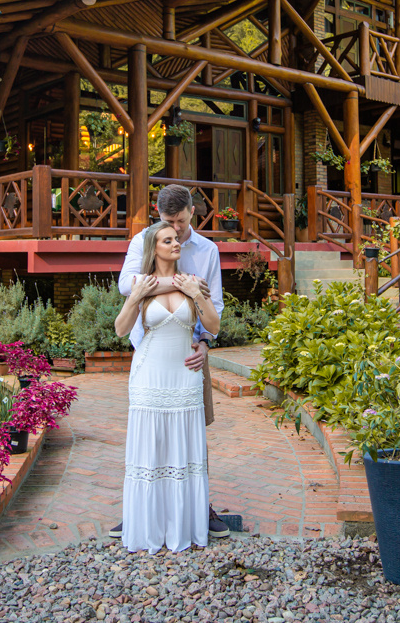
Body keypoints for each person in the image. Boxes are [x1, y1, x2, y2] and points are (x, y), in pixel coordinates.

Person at [110, 184, 229, 540]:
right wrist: (181, 284)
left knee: (191, 433)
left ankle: (196, 507)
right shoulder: (144, 240)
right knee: (150, 437)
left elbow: (215, 306)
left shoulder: (208, 251)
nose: (174, 230)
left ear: (192, 212)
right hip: (151, 351)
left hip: (190, 354)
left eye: (179, 221)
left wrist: (205, 343)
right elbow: (127, 285)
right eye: (167, 222)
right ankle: (143, 510)